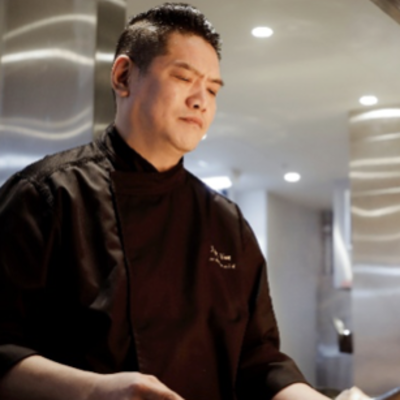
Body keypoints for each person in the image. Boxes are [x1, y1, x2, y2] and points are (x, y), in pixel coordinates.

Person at [0, 3, 370, 400]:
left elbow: (259, 359)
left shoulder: (226, 222)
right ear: (123, 76)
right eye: (183, 77)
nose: (201, 100)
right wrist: (94, 391)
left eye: (212, 89)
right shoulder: (47, 195)